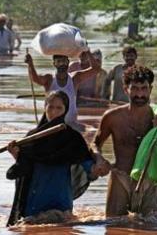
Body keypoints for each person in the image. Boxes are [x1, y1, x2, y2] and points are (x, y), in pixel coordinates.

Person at [92, 65, 157, 217]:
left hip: (149, 180)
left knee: (155, 229)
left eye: (144, 88)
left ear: (151, 89)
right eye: (134, 88)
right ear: (125, 89)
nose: (139, 94)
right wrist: (99, 158)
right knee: (114, 228)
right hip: (120, 178)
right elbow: (95, 143)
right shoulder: (112, 117)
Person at [6, 91, 98, 226]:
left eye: (59, 108)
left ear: (66, 110)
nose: (54, 112)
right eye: (50, 107)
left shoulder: (73, 138)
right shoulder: (32, 137)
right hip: (34, 201)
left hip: (60, 200)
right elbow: (23, 167)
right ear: (45, 108)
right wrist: (16, 154)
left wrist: (99, 167)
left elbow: (89, 167)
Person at [24, 51, 101, 128]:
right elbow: (35, 79)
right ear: (54, 64)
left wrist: (87, 51)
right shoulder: (49, 79)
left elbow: (96, 69)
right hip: (51, 124)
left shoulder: (75, 78)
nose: (62, 65)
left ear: (68, 63)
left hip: (71, 124)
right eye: (58, 62)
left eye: (64, 61)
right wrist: (30, 64)